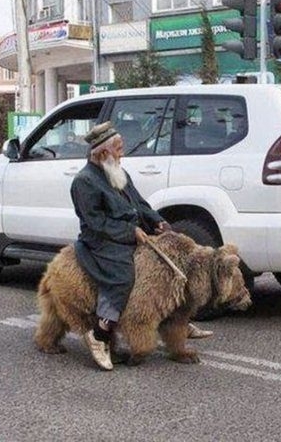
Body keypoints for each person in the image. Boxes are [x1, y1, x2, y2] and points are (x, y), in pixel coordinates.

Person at [71, 121, 212, 371]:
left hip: (133, 233)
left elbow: (140, 205)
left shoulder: (118, 173)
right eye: (119, 149)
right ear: (103, 153)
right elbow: (95, 223)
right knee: (123, 277)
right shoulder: (84, 182)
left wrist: (158, 222)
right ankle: (100, 333)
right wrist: (130, 231)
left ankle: (175, 318)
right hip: (102, 242)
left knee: (173, 262)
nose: (122, 153)